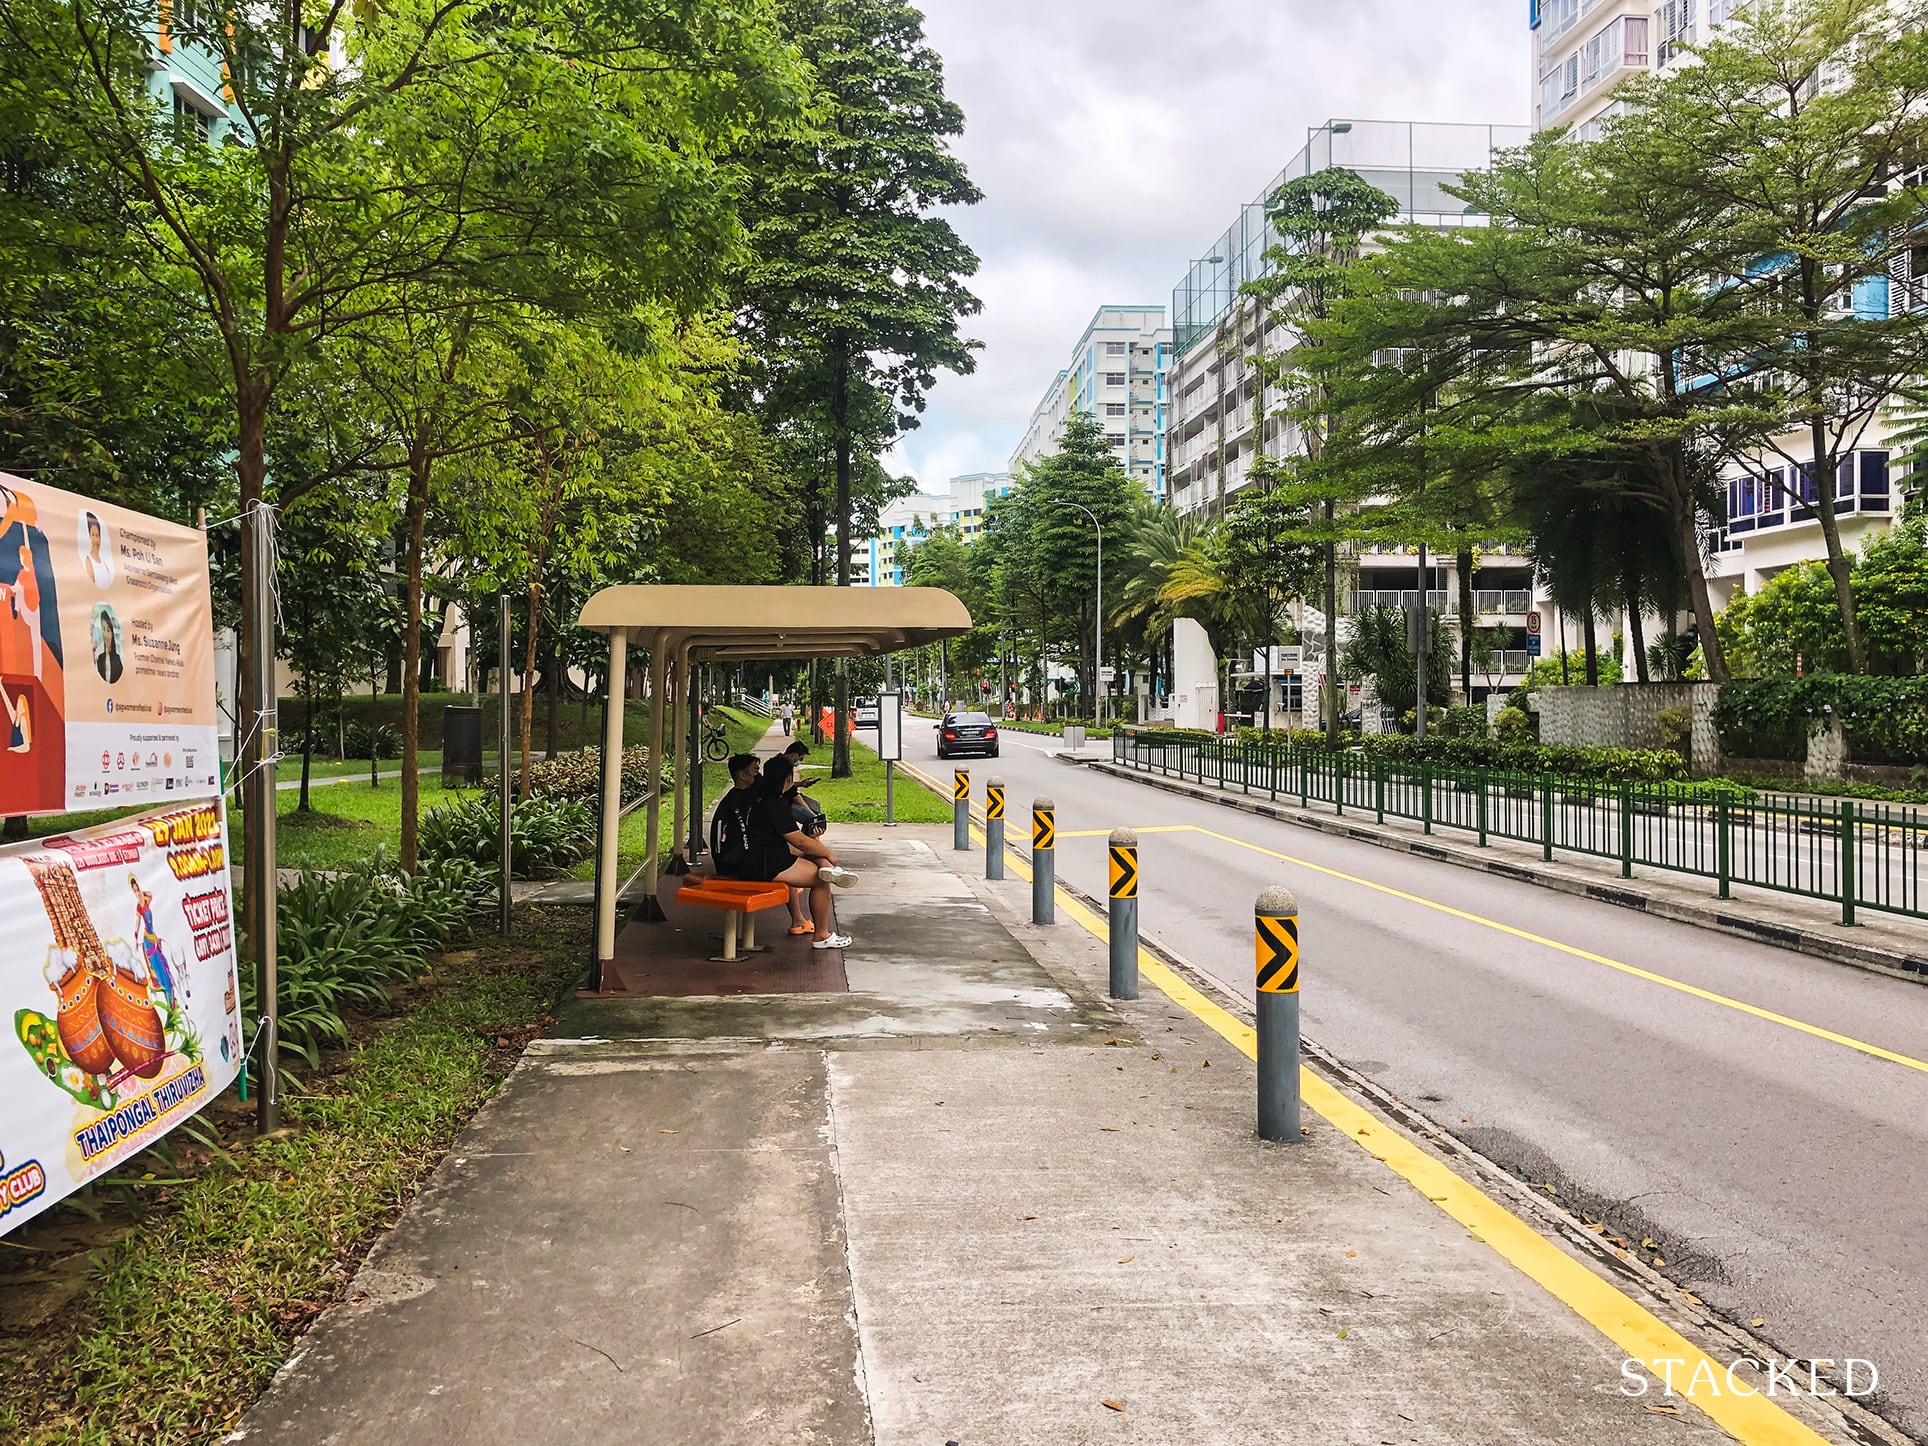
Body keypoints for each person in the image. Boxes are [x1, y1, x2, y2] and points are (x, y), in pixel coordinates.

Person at [739, 753, 856, 950]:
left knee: (813, 851)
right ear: (788, 779)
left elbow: (797, 841)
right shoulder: (776, 804)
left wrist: (815, 846)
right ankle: (822, 935)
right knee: (821, 879)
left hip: (755, 855)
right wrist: (828, 853)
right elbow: (799, 841)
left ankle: (829, 868)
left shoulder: (759, 796)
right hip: (765, 862)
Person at [705, 753, 761, 878]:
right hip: (735, 867)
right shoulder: (741, 802)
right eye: (755, 771)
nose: (759, 775)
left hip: (732, 862)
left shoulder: (737, 797)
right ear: (742, 775)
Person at [81, 513, 113, 588]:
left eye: (97, 535)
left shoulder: (105, 564)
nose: (96, 540)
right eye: (93, 535)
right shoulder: (88, 561)